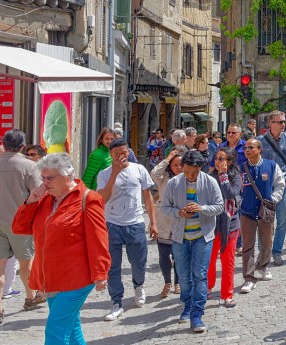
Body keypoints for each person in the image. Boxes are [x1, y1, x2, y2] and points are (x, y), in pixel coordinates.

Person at [11, 154, 110, 345]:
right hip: (50, 276)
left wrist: (101, 272)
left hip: (77, 277)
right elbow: (19, 228)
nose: (44, 183)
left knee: (56, 326)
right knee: (69, 320)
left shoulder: (88, 198)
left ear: (67, 176)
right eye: (42, 178)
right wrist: (29, 202)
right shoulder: (45, 199)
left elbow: (99, 238)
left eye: (49, 178)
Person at [0, 129, 41, 325]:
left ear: (4, 144)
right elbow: (37, 195)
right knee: (26, 262)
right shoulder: (30, 167)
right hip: (21, 223)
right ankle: (30, 296)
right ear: (22, 146)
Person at [160, 150, 224, 333]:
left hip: (202, 236)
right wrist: (179, 212)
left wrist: (202, 208)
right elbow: (164, 208)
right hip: (180, 237)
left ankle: (197, 314)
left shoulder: (210, 182)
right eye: (186, 172)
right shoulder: (174, 183)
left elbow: (219, 207)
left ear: (200, 168)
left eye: (194, 173)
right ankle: (187, 305)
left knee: (200, 274)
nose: (190, 176)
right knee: (183, 276)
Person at [96, 138, 157, 321]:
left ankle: (138, 285)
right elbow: (102, 199)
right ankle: (116, 301)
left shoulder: (139, 170)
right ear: (111, 155)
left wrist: (153, 222)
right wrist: (114, 174)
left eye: (124, 153)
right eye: (116, 155)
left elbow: (148, 197)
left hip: (135, 222)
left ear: (128, 151)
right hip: (112, 224)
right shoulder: (104, 174)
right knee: (112, 266)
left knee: (138, 262)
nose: (121, 157)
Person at [258, 110, 286, 267]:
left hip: (282, 187)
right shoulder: (260, 141)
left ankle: (277, 252)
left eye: (284, 121)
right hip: (265, 187)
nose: (283, 124)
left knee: (281, 221)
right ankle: (263, 254)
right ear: (271, 123)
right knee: (265, 221)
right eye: (280, 122)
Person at [150, 145, 188, 298]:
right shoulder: (164, 178)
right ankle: (167, 281)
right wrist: (167, 159)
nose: (178, 168)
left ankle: (178, 282)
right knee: (164, 255)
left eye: (181, 165)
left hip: (181, 220)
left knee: (179, 255)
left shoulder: (188, 177)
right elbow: (154, 173)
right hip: (164, 221)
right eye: (175, 165)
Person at [207, 146, 242, 306]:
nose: (218, 162)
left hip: (230, 223)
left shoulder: (236, 176)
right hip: (212, 224)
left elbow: (229, 193)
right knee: (210, 259)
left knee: (228, 260)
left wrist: (223, 175)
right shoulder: (209, 177)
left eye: (221, 159)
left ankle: (227, 294)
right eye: (216, 159)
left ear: (229, 161)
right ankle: (207, 288)